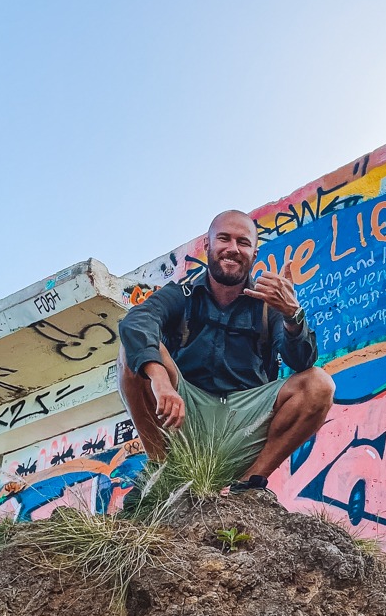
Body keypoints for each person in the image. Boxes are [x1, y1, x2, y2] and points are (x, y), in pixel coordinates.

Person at [116, 209, 334, 491]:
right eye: (224, 239)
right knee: (132, 351)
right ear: (208, 245)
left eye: (243, 242)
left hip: (245, 424)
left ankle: (249, 485)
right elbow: (137, 322)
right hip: (184, 417)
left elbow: (302, 360)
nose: (232, 249)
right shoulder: (180, 295)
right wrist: (159, 380)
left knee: (319, 384)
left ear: (254, 253)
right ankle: (162, 476)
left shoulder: (271, 306)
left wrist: (293, 315)